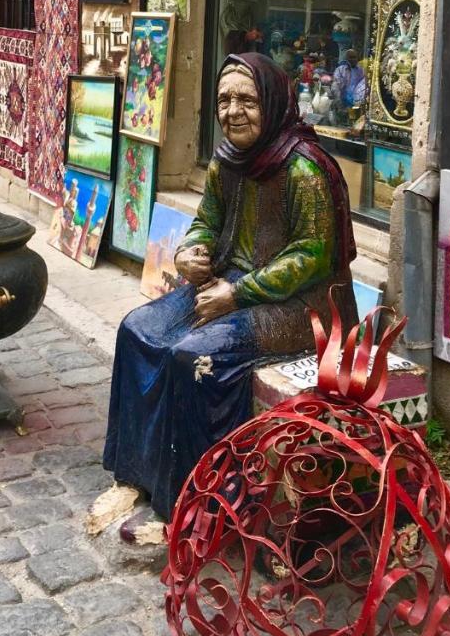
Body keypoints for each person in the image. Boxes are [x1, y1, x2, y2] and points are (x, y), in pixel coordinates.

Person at [98, 53, 358, 538]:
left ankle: (193, 501)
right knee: (138, 330)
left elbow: (312, 257)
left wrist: (237, 294)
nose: (233, 111)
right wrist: (190, 252)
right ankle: (135, 472)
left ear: (274, 103)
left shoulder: (305, 171)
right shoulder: (227, 159)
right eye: (224, 100)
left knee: (192, 358)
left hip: (301, 308)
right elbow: (207, 220)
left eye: (247, 100)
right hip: (231, 284)